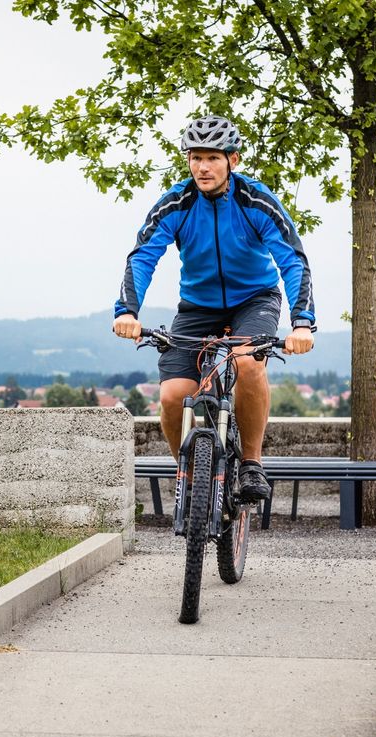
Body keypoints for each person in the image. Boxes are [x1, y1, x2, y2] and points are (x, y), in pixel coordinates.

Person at [112, 114, 315, 501]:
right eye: (195, 157)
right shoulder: (177, 203)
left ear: (232, 160)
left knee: (247, 362)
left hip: (254, 300)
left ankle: (252, 464)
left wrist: (302, 322)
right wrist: (127, 311)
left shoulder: (255, 200)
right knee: (174, 396)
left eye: (212, 158)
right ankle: (189, 478)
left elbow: (292, 260)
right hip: (197, 308)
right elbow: (142, 257)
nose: (203, 167)